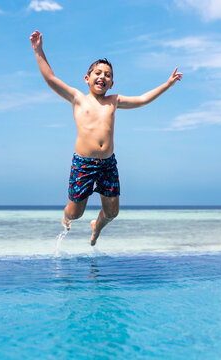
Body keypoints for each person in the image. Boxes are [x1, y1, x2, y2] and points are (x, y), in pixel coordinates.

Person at [30, 30, 182, 246]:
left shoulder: (114, 100)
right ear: (87, 78)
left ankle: (97, 226)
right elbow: (51, 79)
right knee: (75, 214)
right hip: (83, 163)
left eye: (107, 75)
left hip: (108, 164)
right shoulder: (77, 99)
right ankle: (66, 217)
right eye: (98, 73)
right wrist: (38, 51)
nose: (102, 76)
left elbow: (143, 99)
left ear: (112, 83)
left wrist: (167, 84)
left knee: (112, 212)